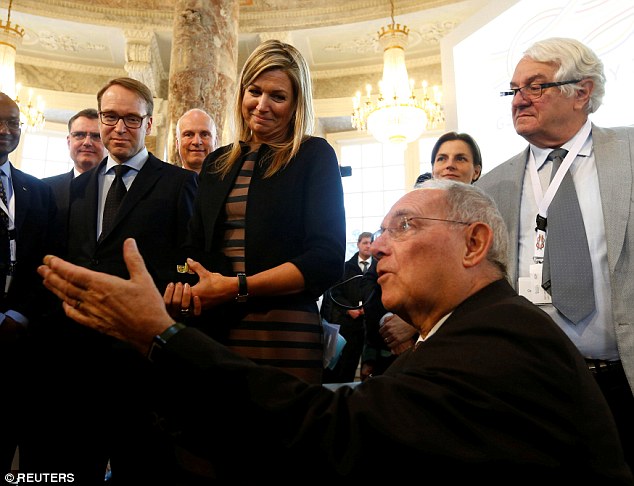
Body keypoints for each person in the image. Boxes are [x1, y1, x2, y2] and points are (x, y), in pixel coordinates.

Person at [38, 180, 634, 485]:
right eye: (377, 231)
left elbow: (337, 433)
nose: (376, 247)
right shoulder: (471, 328)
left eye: (403, 226)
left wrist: (160, 336)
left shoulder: (505, 337)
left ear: (474, 243)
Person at [23, 77, 198, 485]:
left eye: (131, 119)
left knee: (140, 468)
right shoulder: (76, 188)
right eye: (110, 117)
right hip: (79, 358)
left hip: (143, 354)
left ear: (149, 123)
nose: (119, 128)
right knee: (75, 464)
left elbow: (188, 260)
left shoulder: (179, 183)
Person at [477, 37, 634, 468]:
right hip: (537, 388)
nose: (519, 100)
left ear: (581, 93)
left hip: (626, 378)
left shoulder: (630, 155)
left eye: (535, 86)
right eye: (514, 89)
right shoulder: (490, 188)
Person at [164, 39, 346, 385]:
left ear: (296, 104)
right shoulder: (217, 161)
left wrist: (236, 287)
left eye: (277, 96)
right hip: (217, 332)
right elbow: (194, 247)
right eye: (254, 91)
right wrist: (181, 286)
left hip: (287, 335)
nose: (262, 105)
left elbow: (326, 258)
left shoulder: (314, 155)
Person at [0, 93, 57, 476]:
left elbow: (47, 259)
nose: (7, 131)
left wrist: (20, 314)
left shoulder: (37, 190)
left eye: (14, 123)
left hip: (24, 342)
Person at [42, 108, 107, 249]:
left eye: (96, 136)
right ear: (68, 141)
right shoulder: (44, 189)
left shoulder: (118, 189)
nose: (87, 142)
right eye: (79, 135)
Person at [321, 231, 373, 383]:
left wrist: (368, 307)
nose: (368, 246)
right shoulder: (345, 268)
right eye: (365, 242)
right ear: (358, 244)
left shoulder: (378, 268)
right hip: (348, 326)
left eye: (371, 242)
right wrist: (348, 309)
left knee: (367, 369)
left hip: (369, 326)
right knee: (342, 368)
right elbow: (334, 292)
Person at [175, 107, 218, 173]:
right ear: (177, 143)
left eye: (204, 135)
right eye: (188, 135)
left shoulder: (230, 182)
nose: (197, 142)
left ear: (215, 142)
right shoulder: (165, 182)